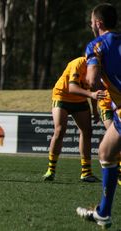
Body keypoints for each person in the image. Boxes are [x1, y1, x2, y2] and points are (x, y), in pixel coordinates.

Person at [76, 3, 121, 229]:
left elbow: (92, 80)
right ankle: (103, 213)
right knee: (106, 151)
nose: (91, 25)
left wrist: (95, 76)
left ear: (98, 23)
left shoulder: (96, 46)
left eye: (92, 21)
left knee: (106, 153)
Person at [42, 57, 105, 182]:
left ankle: (86, 172)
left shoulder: (100, 67)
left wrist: (94, 110)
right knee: (60, 130)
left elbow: (93, 88)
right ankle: (51, 170)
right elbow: (72, 88)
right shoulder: (79, 63)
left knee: (87, 131)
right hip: (62, 96)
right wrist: (91, 95)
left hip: (80, 99)